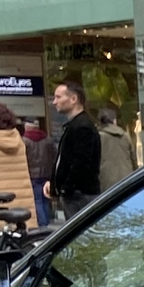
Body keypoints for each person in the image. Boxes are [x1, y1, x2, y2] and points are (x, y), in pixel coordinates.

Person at [49, 80, 102, 214]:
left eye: (58, 97)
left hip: (79, 195)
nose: (54, 102)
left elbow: (81, 161)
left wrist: (67, 187)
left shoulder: (82, 127)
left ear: (73, 99)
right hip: (77, 194)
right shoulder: (77, 125)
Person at [21, 113, 56, 225]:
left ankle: (42, 224)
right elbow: (54, 156)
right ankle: (47, 221)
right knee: (45, 199)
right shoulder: (48, 140)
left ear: (27, 127)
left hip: (32, 175)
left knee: (37, 200)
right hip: (46, 174)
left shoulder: (24, 141)